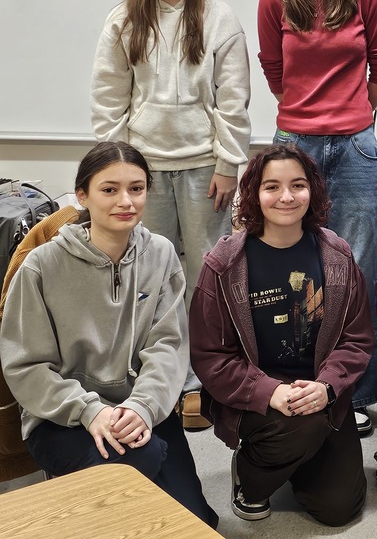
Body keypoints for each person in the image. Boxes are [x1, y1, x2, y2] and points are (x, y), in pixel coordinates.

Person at [0, 141, 218, 528]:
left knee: (197, 523)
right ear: (82, 194)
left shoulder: (162, 253)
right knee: (141, 462)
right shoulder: (41, 265)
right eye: (109, 189)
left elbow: (168, 344)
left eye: (136, 188)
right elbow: (26, 365)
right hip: (62, 416)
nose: (126, 201)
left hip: (141, 406)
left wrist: (142, 407)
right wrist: (89, 410)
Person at [90, 0, 252, 430]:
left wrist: (229, 164)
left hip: (206, 167)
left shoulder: (219, 18)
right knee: (153, 276)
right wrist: (119, 173)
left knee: (209, 276)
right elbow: (108, 99)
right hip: (145, 172)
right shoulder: (124, 20)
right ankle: (166, 379)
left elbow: (234, 100)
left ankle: (207, 380)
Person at [257, 0, 377, 436]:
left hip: (356, 146)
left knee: (356, 272)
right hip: (295, 146)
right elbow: (274, 70)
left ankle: (354, 394)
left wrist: (353, 109)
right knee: (292, 270)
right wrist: (304, 112)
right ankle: (294, 383)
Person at [189, 144, 373, 525]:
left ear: (313, 191)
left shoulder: (337, 256)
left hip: (320, 392)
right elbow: (210, 356)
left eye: (298, 185)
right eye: (272, 186)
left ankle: (299, 454)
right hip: (254, 395)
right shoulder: (224, 266)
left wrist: (326, 387)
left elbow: (356, 339)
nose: (287, 197)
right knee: (302, 425)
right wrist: (269, 392)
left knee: (339, 510)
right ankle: (251, 476)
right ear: (254, 194)